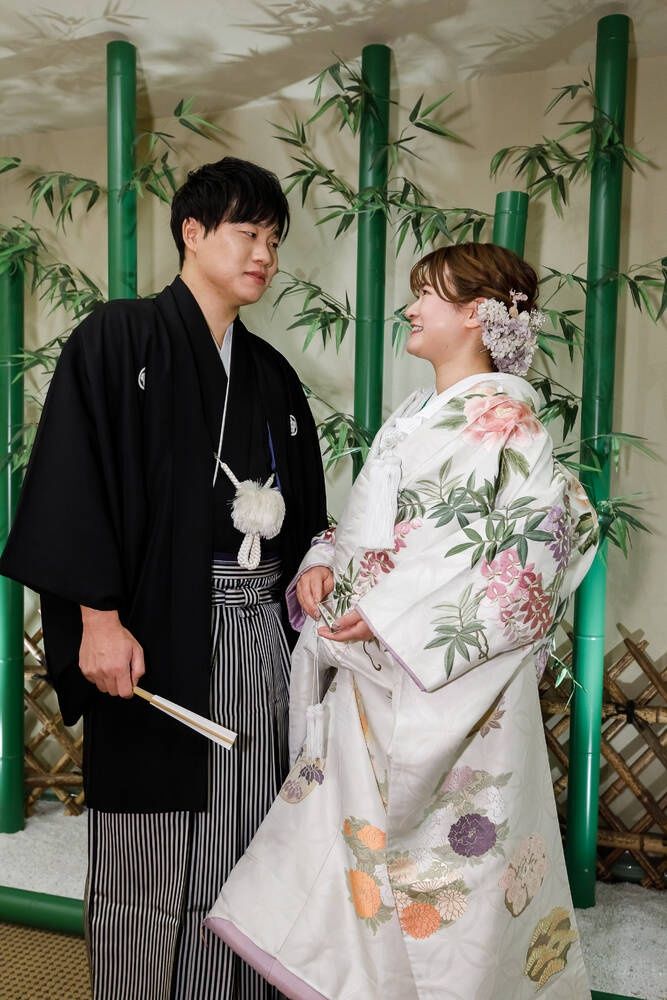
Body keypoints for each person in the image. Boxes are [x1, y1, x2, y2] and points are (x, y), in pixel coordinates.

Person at [206, 242, 599, 999]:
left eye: (427, 295)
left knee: (458, 876)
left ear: (477, 314)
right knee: (356, 865)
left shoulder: (510, 424)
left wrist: (389, 617)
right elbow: (368, 528)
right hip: (374, 676)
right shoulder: (416, 414)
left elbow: (529, 563)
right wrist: (325, 559)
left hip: (451, 688)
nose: (410, 308)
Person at [0, 157, 327, 999]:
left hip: (257, 634)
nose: (265, 255)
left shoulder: (271, 375)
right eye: (247, 233)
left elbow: (308, 520)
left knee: (250, 830)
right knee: (149, 845)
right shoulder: (119, 339)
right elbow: (75, 482)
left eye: (274, 240)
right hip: (151, 629)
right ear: (192, 231)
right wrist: (97, 620)